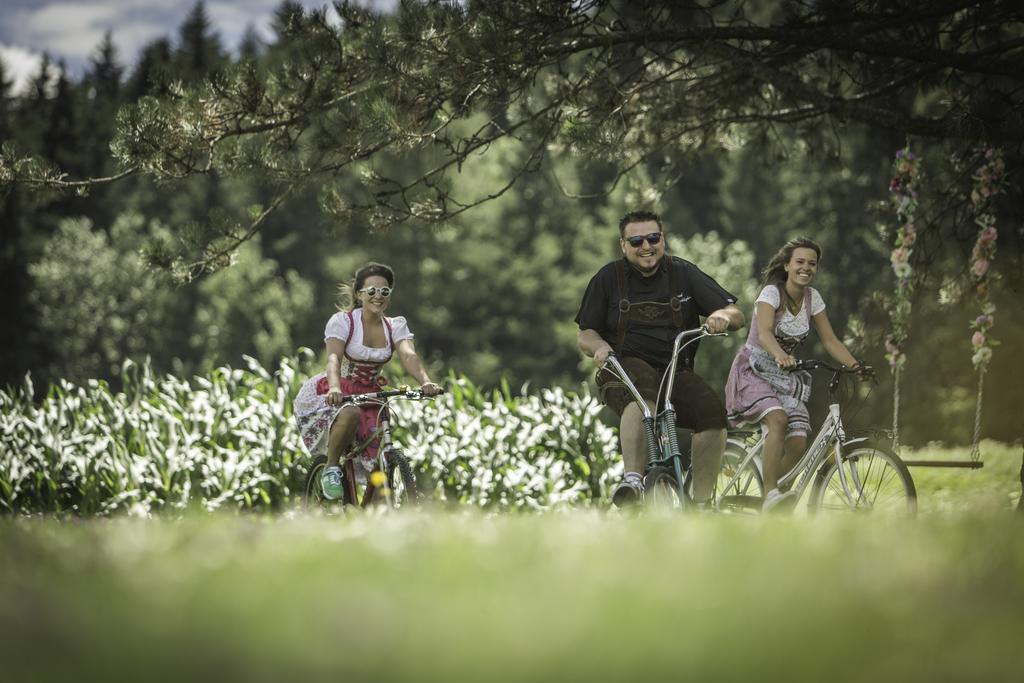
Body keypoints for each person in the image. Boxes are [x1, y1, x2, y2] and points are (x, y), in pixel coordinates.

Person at [576, 210, 745, 507]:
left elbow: (735, 313)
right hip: (622, 368)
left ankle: (702, 504)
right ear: (623, 245)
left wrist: (720, 316)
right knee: (645, 390)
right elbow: (585, 333)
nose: (646, 246)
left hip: (675, 371)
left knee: (712, 413)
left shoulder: (683, 273)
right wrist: (600, 347)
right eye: (637, 240)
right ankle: (633, 481)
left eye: (653, 238)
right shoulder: (608, 278)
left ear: (662, 239)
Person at [724, 237, 863, 511]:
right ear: (787, 265)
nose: (806, 268)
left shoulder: (813, 299)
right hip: (754, 370)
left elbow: (830, 340)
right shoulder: (771, 294)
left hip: (784, 375)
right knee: (778, 419)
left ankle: (776, 491)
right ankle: (770, 494)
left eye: (812, 264)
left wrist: (857, 366)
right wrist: (779, 354)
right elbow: (764, 333)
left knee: (799, 442)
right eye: (800, 262)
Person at [293, 262, 443, 500]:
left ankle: (374, 512)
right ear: (359, 294)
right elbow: (333, 358)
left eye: (384, 291)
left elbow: (408, 355)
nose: (378, 296)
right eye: (371, 291)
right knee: (350, 413)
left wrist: (426, 381)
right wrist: (334, 386)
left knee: (381, 462)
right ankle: (331, 468)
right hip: (338, 389)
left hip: (372, 394)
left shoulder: (395, 325)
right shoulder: (344, 322)